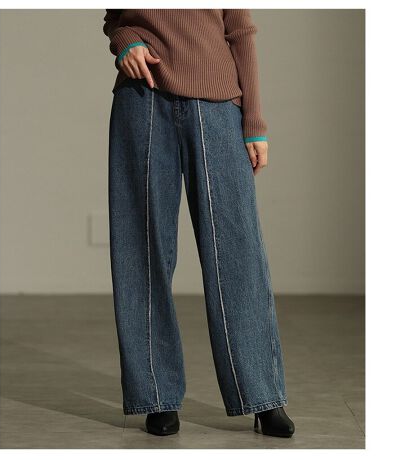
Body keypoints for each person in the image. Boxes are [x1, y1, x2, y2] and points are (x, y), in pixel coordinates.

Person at [103, 9, 295, 438]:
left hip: (217, 107)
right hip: (142, 99)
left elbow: (240, 32)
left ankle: (263, 396)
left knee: (238, 252)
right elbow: (115, 17)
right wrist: (125, 41)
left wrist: (254, 122)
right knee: (142, 249)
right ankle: (156, 396)